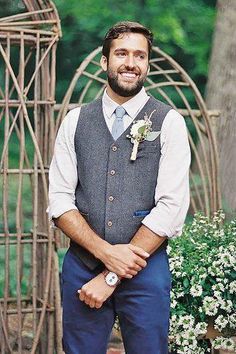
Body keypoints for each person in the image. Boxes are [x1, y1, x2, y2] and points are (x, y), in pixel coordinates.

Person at [48, 21, 191, 354]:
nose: (130, 63)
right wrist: (105, 254)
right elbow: (59, 201)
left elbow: (171, 207)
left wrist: (111, 275)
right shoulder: (75, 121)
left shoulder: (169, 122)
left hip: (147, 271)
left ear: (147, 65)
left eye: (139, 56)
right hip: (82, 265)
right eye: (122, 53)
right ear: (104, 61)